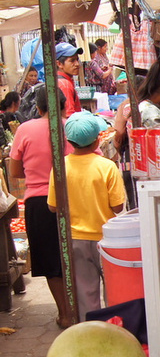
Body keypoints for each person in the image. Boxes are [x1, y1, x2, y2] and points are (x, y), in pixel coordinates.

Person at [47, 111, 126, 321]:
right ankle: (115, 331)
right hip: (106, 239)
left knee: (85, 295)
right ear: (98, 139)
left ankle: (91, 333)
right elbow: (118, 207)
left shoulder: (60, 167)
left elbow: (53, 207)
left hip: (75, 239)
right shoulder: (107, 167)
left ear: (69, 140)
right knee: (114, 292)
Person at [8, 86, 71, 328]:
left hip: (39, 200)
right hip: (71, 197)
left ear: (38, 107)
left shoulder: (25, 129)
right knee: (73, 257)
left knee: (50, 260)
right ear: (64, 106)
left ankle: (64, 313)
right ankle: (79, 309)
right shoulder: (73, 127)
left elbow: (14, 171)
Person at [55, 42, 83, 117]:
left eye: (77, 60)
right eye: (72, 60)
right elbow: (69, 117)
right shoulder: (65, 85)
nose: (77, 64)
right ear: (59, 64)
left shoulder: (57, 81)